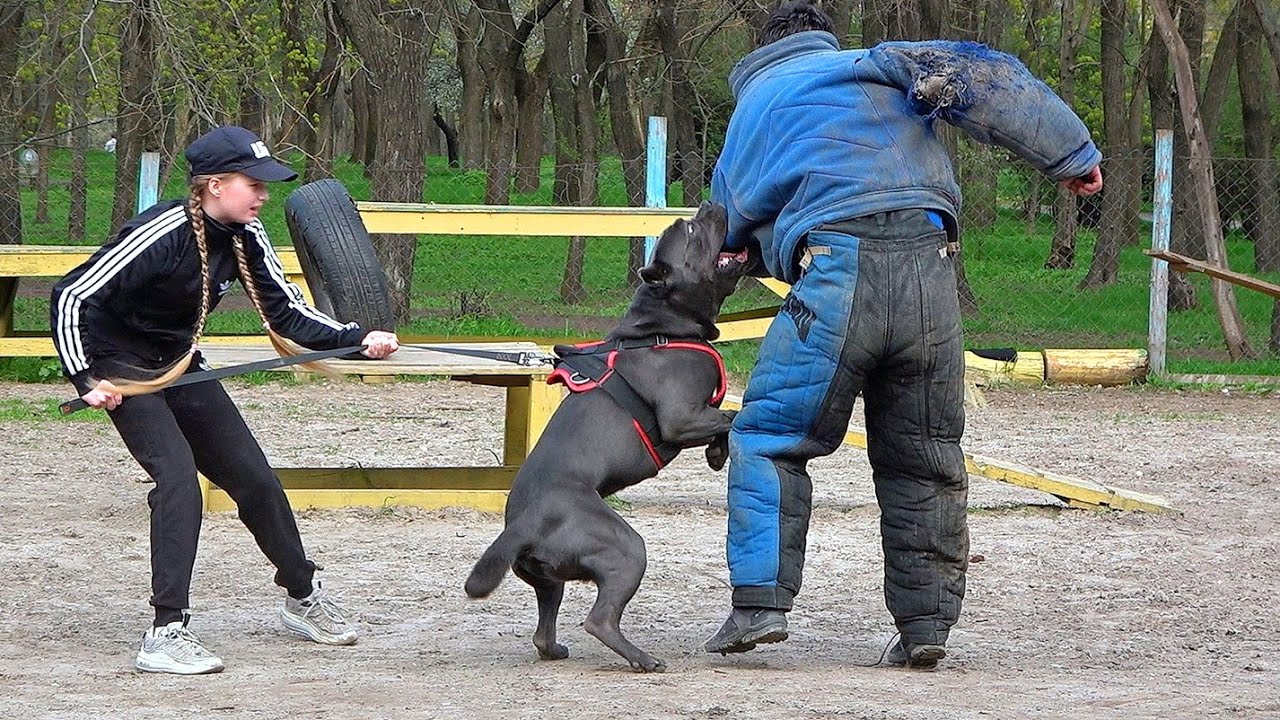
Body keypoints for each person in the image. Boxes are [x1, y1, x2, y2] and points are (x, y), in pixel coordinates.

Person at [704, 2, 1103, 669]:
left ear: (762, 49)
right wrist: (1071, 155)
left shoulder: (755, 106)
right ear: (821, 37)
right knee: (924, 456)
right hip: (931, 275)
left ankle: (760, 606)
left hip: (836, 277)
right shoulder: (876, 65)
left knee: (769, 436)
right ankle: (925, 629)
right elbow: (978, 72)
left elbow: (722, 235)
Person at [51, 125, 400, 675]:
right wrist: (84, 378)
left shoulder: (245, 233)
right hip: (121, 372)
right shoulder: (162, 231)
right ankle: (165, 632)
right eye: (253, 183)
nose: (263, 194)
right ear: (214, 185)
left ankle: (302, 597)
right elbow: (71, 294)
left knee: (255, 478)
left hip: (182, 364)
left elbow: (287, 313)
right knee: (178, 481)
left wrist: (356, 337)